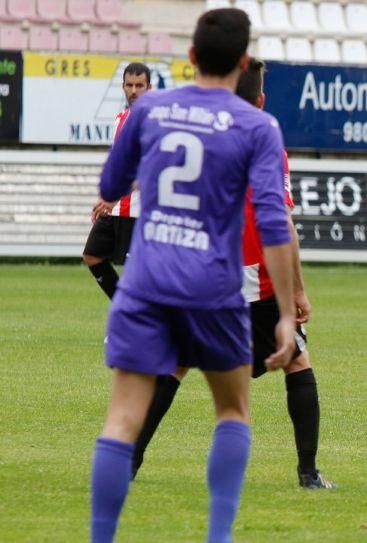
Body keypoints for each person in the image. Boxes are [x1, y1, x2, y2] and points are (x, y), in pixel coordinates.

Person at [84, 8, 297, 543]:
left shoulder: (149, 108)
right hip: (214, 289)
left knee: (121, 421)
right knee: (232, 411)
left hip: (146, 282)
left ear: (191, 57)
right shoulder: (257, 128)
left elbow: (108, 188)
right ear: (244, 62)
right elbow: (275, 224)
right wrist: (285, 311)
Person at [130, 57, 335, 490]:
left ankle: (127, 463)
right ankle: (308, 473)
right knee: (297, 362)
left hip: (195, 273)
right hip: (252, 278)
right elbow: (278, 221)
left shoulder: (194, 131)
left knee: (176, 365)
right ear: (260, 98)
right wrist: (296, 290)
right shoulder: (264, 137)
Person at [82, 62, 152, 299]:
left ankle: (134, 324)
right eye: (129, 85)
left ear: (149, 87)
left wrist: (114, 198)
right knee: (92, 255)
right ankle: (125, 309)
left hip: (138, 210)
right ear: (122, 87)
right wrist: (106, 197)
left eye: (139, 85)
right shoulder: (120, 118)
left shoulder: (153, 121)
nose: (134, 90)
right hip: (115, 208)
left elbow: (148, 168)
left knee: (138, 277)